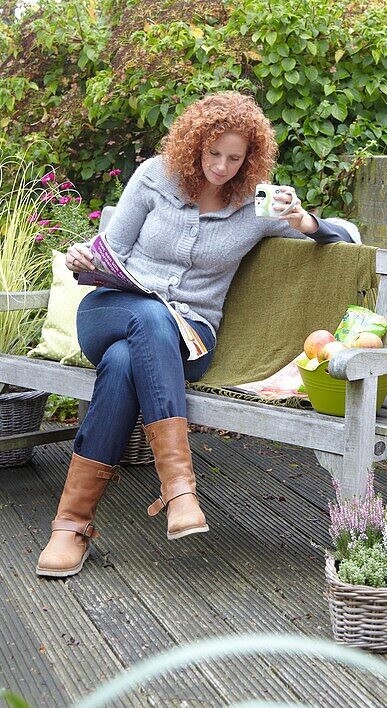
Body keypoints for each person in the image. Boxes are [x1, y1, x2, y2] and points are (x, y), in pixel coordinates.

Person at [36, 91, 355, 577]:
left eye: (235, 158)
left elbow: (346, 237)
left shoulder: (256, 206)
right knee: (147, 317)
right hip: (110, 310)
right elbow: (110, 249)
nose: (222, 167)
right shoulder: (153, 178)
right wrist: (85, 257)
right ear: (194, 144)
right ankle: (179, 491)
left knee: (125, 362)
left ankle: (70, 527)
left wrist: (304, 220)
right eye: (214, 154)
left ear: (250, 160)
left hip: (190, 338)